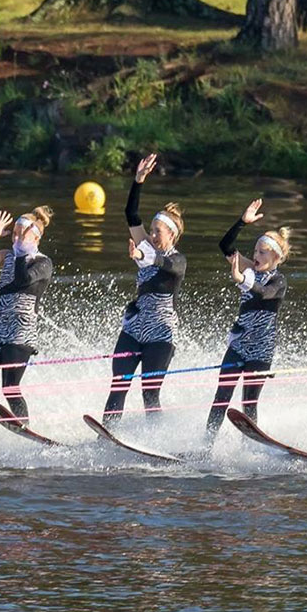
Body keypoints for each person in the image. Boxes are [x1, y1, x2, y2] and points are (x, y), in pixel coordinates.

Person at [102, 155, 186, 423]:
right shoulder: (148, 246)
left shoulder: (177, 259)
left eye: (157, 231)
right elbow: (131, 215)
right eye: (150, 230)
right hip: (134, 328)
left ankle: (157, 438)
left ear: (171, 235)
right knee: (119, 385)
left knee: (150, 394)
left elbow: (165, 264)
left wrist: (142, 256)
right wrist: (138, 180)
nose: (151, 235)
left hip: (162, 333)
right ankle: (107, 435)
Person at [205, 198, 291, 445]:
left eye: (261, 252)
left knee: (249, 404)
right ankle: (206, 445)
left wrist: (241, 280)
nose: (255, 256)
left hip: (261, 350)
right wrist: (242, 222)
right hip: (239, 344)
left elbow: (264, 294)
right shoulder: (248, 268)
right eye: (254, 251)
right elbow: (225, 245)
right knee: (221, 396)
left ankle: (250, 448)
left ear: (276, 257)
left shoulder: (279, 281)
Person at [0, 206, 55, 435]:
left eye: (22, 234)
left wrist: (21, 252)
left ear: (36, 238)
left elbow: (22, 280)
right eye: (15, 233)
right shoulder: (8, 255)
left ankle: (26, 430)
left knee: (10, 387)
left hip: (21, 332)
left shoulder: (43, 263)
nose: (16, 238)